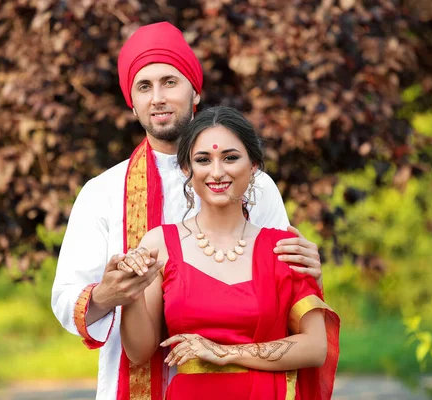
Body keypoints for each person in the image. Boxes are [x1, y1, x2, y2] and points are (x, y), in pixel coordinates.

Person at [51, 22, 324, 400]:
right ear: (131, 102)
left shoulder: (257, 187)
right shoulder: (102, 193)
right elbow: (65, 297)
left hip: (246, 381)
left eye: (169, 82)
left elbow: (284, 289)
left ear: (195, 90)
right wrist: (107, 295)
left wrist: (309, 269)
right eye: (144, 87)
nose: (158, 97)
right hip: (131, 380)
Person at [119, 106, 340, 399]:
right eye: (203, 160)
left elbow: (315, 348)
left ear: (254, 166)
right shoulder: (160, 244)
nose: (217, 172)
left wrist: (225, 353)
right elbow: (139, 352)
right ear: (187, 169)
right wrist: (128, 291)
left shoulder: (281, 247)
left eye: (230, 158)